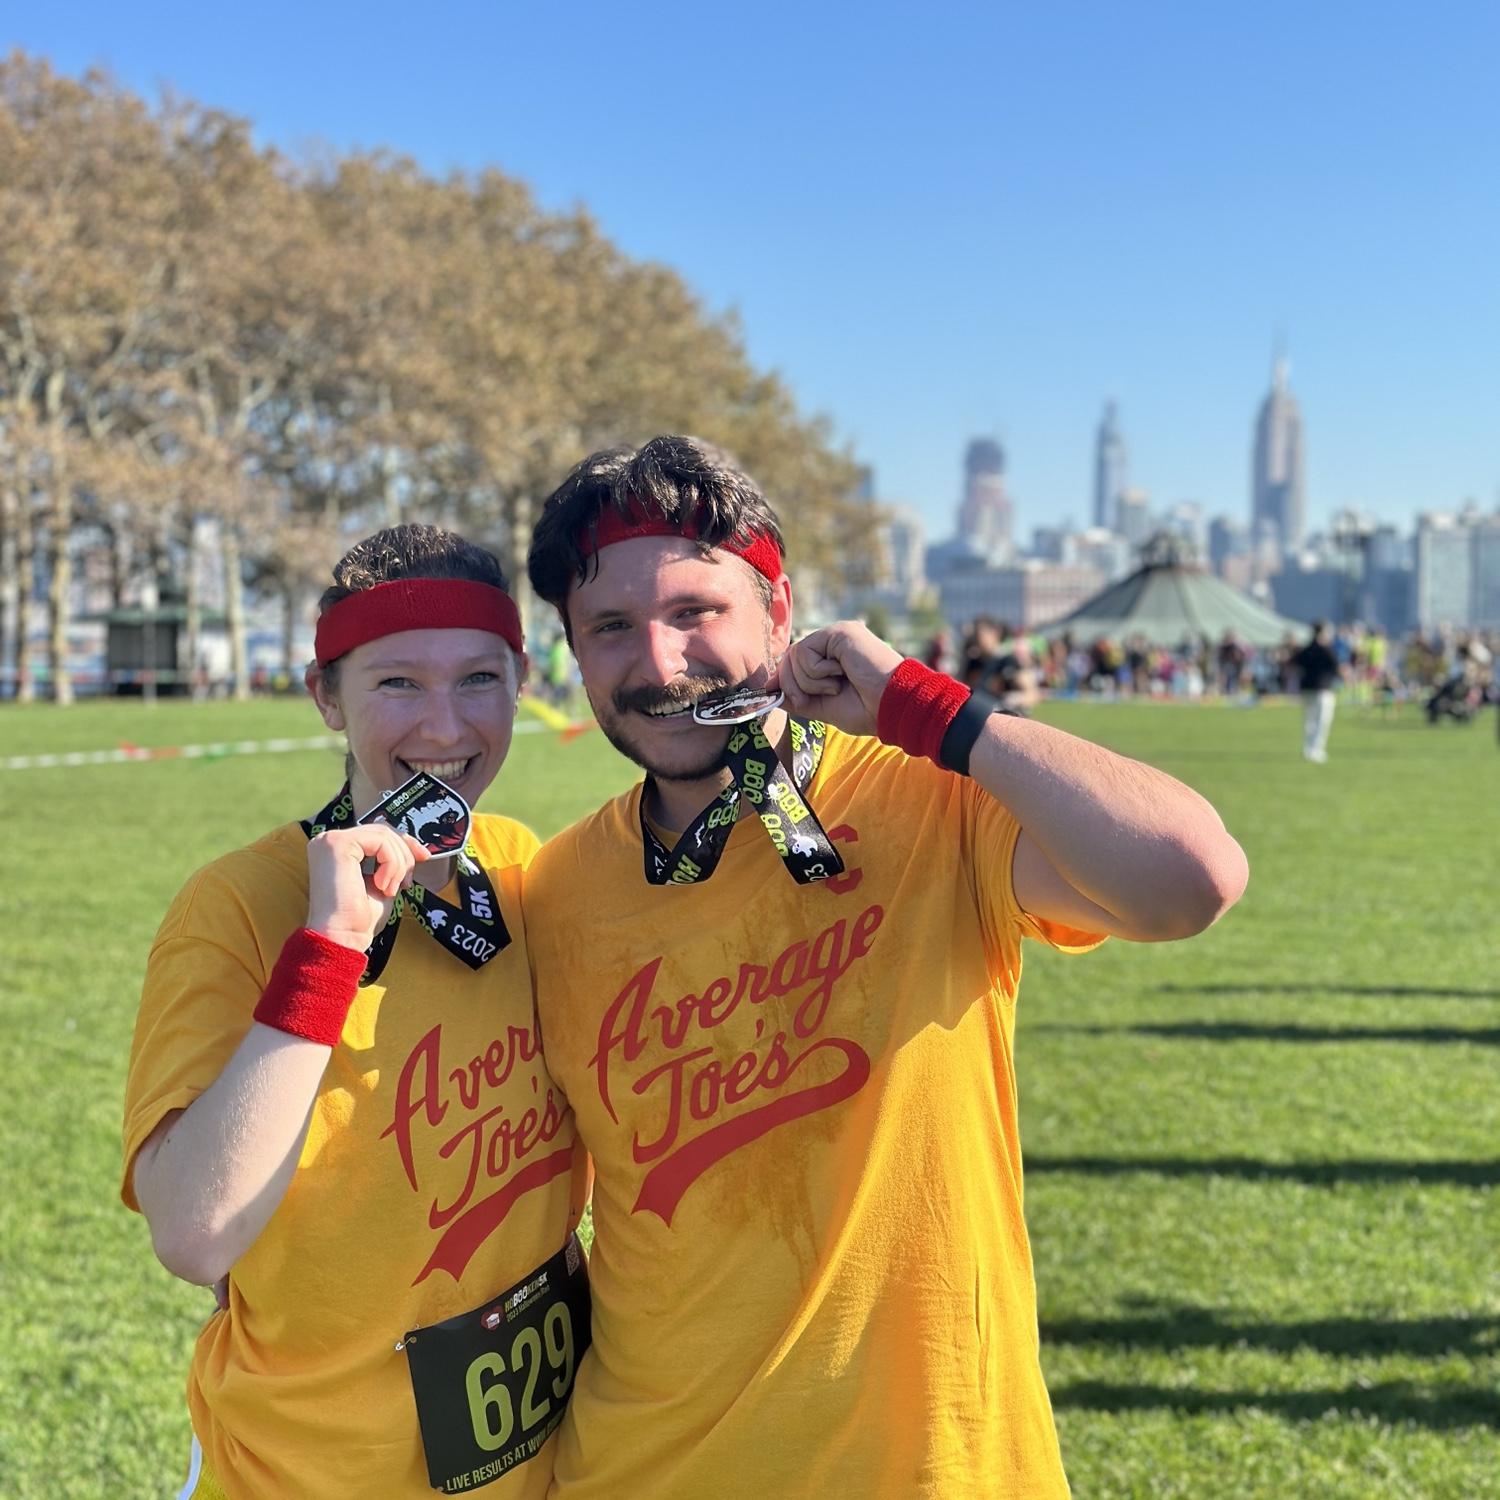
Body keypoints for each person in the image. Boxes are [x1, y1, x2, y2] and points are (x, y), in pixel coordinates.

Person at [522, 435, 1249, 1499]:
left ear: (779, 612)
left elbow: (1192, 880)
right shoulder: (552, 892)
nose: (662, 664)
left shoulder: (932, 803)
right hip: (640, 1470)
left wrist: (933, 713)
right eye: (612, 627)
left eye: (695, 611)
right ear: (575, 652)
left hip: (935, 1466)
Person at [122, 525, 588, 1499]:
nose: (445, 726)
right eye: (398, 683)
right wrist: (329, 947)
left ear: (520, 683)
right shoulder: (240, 905)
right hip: (307, 1470)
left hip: (538, 1461)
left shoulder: (523, 867)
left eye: (479, 679)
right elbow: (195, 1235)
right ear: (326, 695)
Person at [1291, 620, 1341, 761]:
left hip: (1307, 689)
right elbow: (1337, 668)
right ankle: (1316, 750)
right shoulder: (1327, 650)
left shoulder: (1306, 649)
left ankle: (1308, 749)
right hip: (1323, 690)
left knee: (1309, 721)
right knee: (1321, 722)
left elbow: (1294, 664)